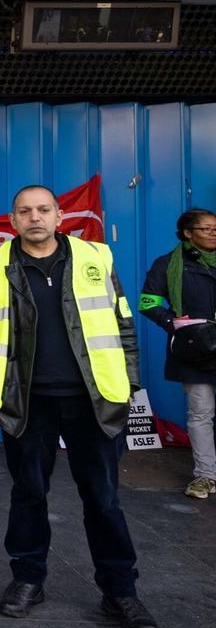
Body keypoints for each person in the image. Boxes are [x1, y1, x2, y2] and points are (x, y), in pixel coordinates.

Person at [0, 185, 158, 628]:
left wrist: (128, 385)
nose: (35, 218)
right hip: (27, 401)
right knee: (29, 493)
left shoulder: (96, 258)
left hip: (94, 399)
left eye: (43, 210)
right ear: (12, 221)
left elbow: (122, 323)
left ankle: (120, 590)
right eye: (25, 211)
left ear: (59, 215)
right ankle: (29, 579)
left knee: (104, 498)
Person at [138, 207, 216, 499]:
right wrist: (175, 324)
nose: (213, 234)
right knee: (200, 414)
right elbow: (148, 303)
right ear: (187, 233)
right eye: (206, 229)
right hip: (195, 350)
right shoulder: (168, 264)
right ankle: (206, 476)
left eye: (215, 229)